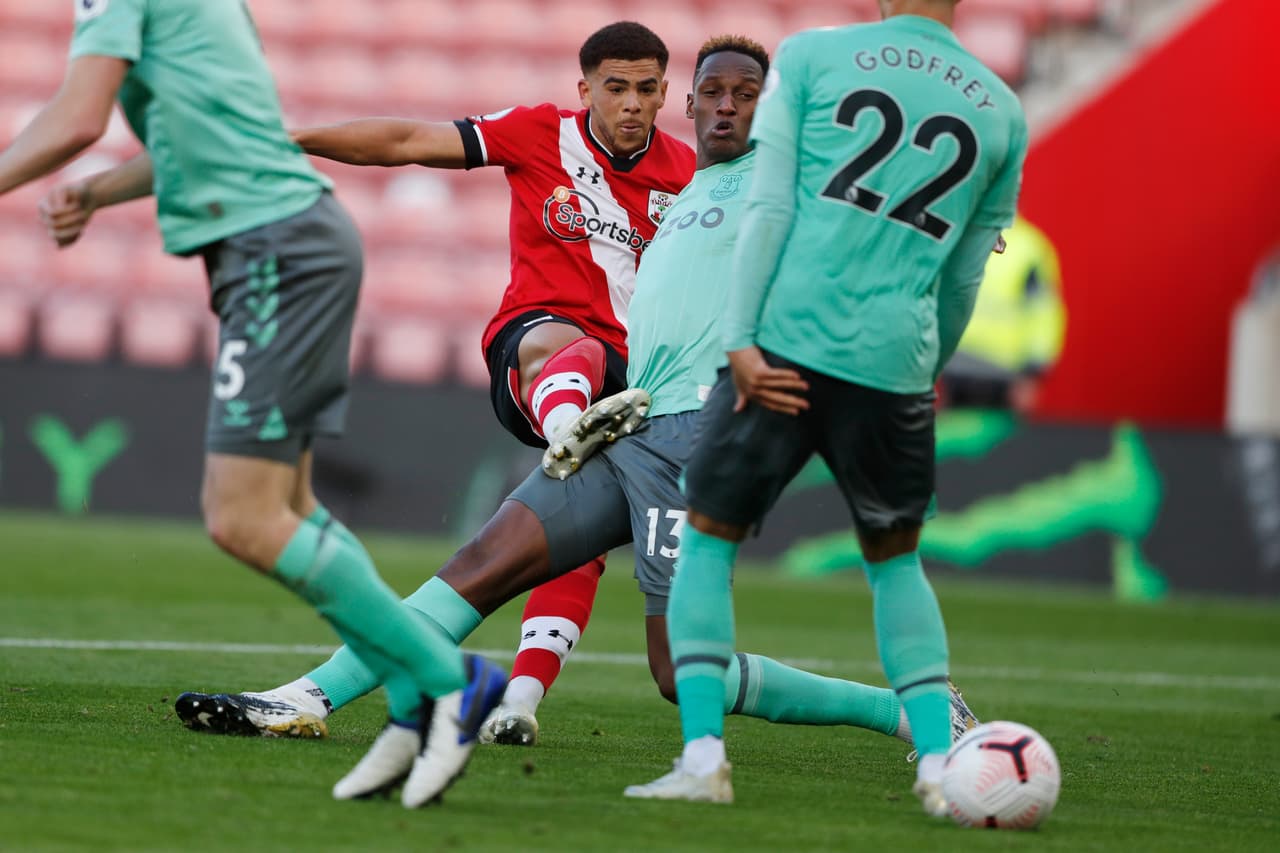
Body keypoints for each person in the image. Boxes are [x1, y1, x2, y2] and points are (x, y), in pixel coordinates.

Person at [169, 38, 978, 797]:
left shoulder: (787, 184)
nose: (728, 106)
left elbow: (867, 222)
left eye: (748, 94)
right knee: (485, 559)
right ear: (690, 104)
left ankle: (911, 710)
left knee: (677, 669)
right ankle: (306, 696)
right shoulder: (688, 185)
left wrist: (945, 239)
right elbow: (414, 139)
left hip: (695, 436)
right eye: (716, 93)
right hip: (626, 422)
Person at [4, 0, 507, 809]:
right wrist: (98, 192)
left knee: (243, 517)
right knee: (290, 507)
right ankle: (418, 703)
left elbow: (76, 115)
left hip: (276, 251)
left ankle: (453, 682)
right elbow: (216, 140)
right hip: (292, 241)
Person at [624, 0, 1027, 815]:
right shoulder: (1000, 107)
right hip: (896, 362)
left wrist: (739, 337)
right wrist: (926, 368)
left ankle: (703, 759)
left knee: (708, 543)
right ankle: (940, 768)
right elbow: (962, 279)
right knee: (895, 562)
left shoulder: (813, 58)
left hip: (786, 347)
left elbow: (771, 210)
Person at [284, 22, 696, 740]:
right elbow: (409, 143)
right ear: (585, 89)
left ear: (666, 91)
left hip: (638, 390)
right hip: (539, 351)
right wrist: (296, 141)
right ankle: (568, 424)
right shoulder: (538, 132)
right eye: (616, 87)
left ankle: (520, 700)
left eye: (647, 88)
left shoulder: (690, 178)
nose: (632, 103)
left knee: (573, 539)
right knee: (575, 348)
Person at [940, 214, 1066, 413]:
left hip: (1003, 377)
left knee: (996, 441)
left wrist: (1032, 375)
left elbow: (1043, 316)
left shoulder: (1029, 247)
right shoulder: (960, 234)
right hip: (955, 371)